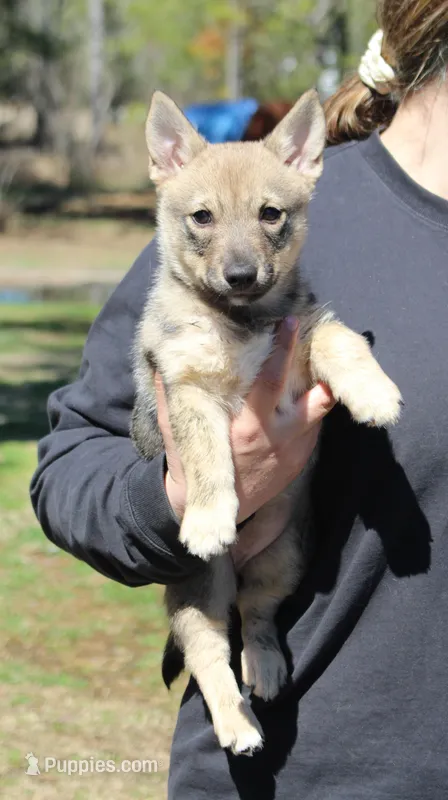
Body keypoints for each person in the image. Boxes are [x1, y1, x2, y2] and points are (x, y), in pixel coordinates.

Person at [31, 0, 448, 796]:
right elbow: (70, 465)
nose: (244, 249)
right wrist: (180, 499)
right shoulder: (253, 242)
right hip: (303, 775)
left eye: (267, 220)